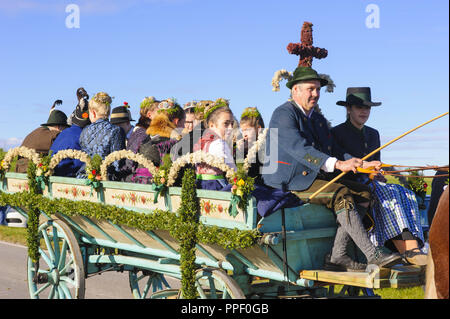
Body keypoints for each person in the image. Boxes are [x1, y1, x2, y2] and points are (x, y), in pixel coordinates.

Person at [261, 66, 401, 271]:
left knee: (364, 192)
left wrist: (361, 164)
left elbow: (333, 148)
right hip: (288, 180)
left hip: (311, 177)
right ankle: (373, 254)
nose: (316, 94)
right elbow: (299, 148)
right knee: (341, 193)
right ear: (295, 90)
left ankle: (338, 255)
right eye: (310, 89)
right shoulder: (283, 114)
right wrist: (337, 164)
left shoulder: (316, 119)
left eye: (317, 89)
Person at [332, 87, 428, 265]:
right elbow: (337, 167)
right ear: (348, 109)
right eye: (359, 107)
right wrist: (365, 169)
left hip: (371, 183)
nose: (364, 111)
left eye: (367, 108)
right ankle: (407, 250)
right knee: (388, 194)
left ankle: (413, 245)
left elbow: (376, 165)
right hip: (349, 184)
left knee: (404, 192)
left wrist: (378, 175)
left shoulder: (373, 134)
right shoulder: (336, 133)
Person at [128, 99, 184, 183]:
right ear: (176, 121)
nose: (184, 125)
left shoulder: (146, 137)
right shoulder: (174, 142)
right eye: (184, 122)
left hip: (138, 184)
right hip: (158, 187)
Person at [79, 92, 125, 179]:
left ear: (93, 112)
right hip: (106, 179)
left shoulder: (85, 130)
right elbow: (117, 164)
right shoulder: (116, 130)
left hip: (85, 177)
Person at [194, 98, 237, 190]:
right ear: (212, 125)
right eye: (226, 124)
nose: (230, 128)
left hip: (200, 184)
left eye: (232, 124)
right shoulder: (219, 143)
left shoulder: (201, 141)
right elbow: (232, 169)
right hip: (216, 186)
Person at [15, 100, 69, 173]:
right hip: (31, 172)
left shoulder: (35, 132)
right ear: (58, 127)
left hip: (19, 170)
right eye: (65, 128)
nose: (65, 131)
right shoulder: (54, 135)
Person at [50, 87, 91, 177]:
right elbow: (79, 164)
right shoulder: (84, 136)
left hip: (53, 175)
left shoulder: (62, 133)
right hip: (66, 177)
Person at [236, 107, 265, 182]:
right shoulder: (244, 147)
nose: (244, 134)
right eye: (242, 131)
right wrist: (240, 152)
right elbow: (239, 172)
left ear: (258, 129)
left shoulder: (265, 146)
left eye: (247, 130)